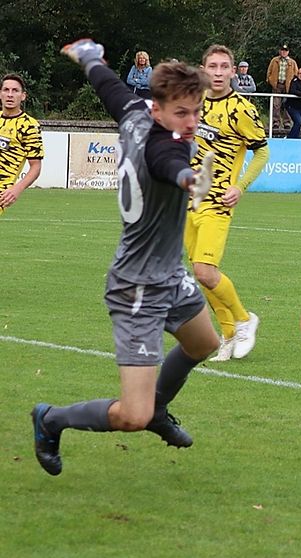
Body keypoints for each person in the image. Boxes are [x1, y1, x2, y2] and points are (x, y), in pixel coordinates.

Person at [32, 38, 220, 476]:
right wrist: (193, 181)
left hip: (169, 273)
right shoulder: (164, 146)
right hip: (137, 287)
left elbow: (110, 87)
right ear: (158, 110)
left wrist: (90, 58)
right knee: (130, 417)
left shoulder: (135, 112)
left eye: (196, 112)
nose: (190, 122)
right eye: (181, 113)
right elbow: (169, 163)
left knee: (204, 343)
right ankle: (50, 419)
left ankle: (159, 410)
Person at [188, 44, 270, 362]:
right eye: (213, 66)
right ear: (204, 69)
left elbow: (262, 151)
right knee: (203, 275)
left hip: (219, 201)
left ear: (233, 72)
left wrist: (240, 186)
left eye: (225, 67)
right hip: (189, 201)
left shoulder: (242, 109)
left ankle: (244, 319)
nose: (219, 72)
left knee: (205, 271)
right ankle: (228, 334)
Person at [0, 74, 44, 215]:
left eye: (15, 91)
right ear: (0, 94)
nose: (10, 95)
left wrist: (16, 189)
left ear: (23, 96)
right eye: (6, 90)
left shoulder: (29, 126)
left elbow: (35, 166)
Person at [266, 44, 297, 130]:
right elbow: (269, 71)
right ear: (280, 51)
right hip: (277, 84)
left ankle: (287, 122)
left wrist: (293, 85)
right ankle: (276, 122)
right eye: (282, 50)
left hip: (288, 86)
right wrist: (270, 81)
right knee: (276, 104)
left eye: (285, 51)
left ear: (288, 52)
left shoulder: (292, 62)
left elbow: (296, 74)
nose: (284, 52)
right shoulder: (274, 60)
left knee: (287, 104)